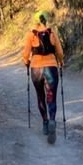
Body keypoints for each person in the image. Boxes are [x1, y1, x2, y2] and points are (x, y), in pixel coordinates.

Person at [22, 11, 64, 144]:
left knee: (40, 96)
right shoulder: (52, 33)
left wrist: (26, 62)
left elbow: (25, 53)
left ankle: (45, 122)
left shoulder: (30, 34)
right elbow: (60, 52)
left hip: (36, 69)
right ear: (46, 20)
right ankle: (52, 120)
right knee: (51, 96)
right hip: (51, 67)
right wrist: (60, 62)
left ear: (35, 21)